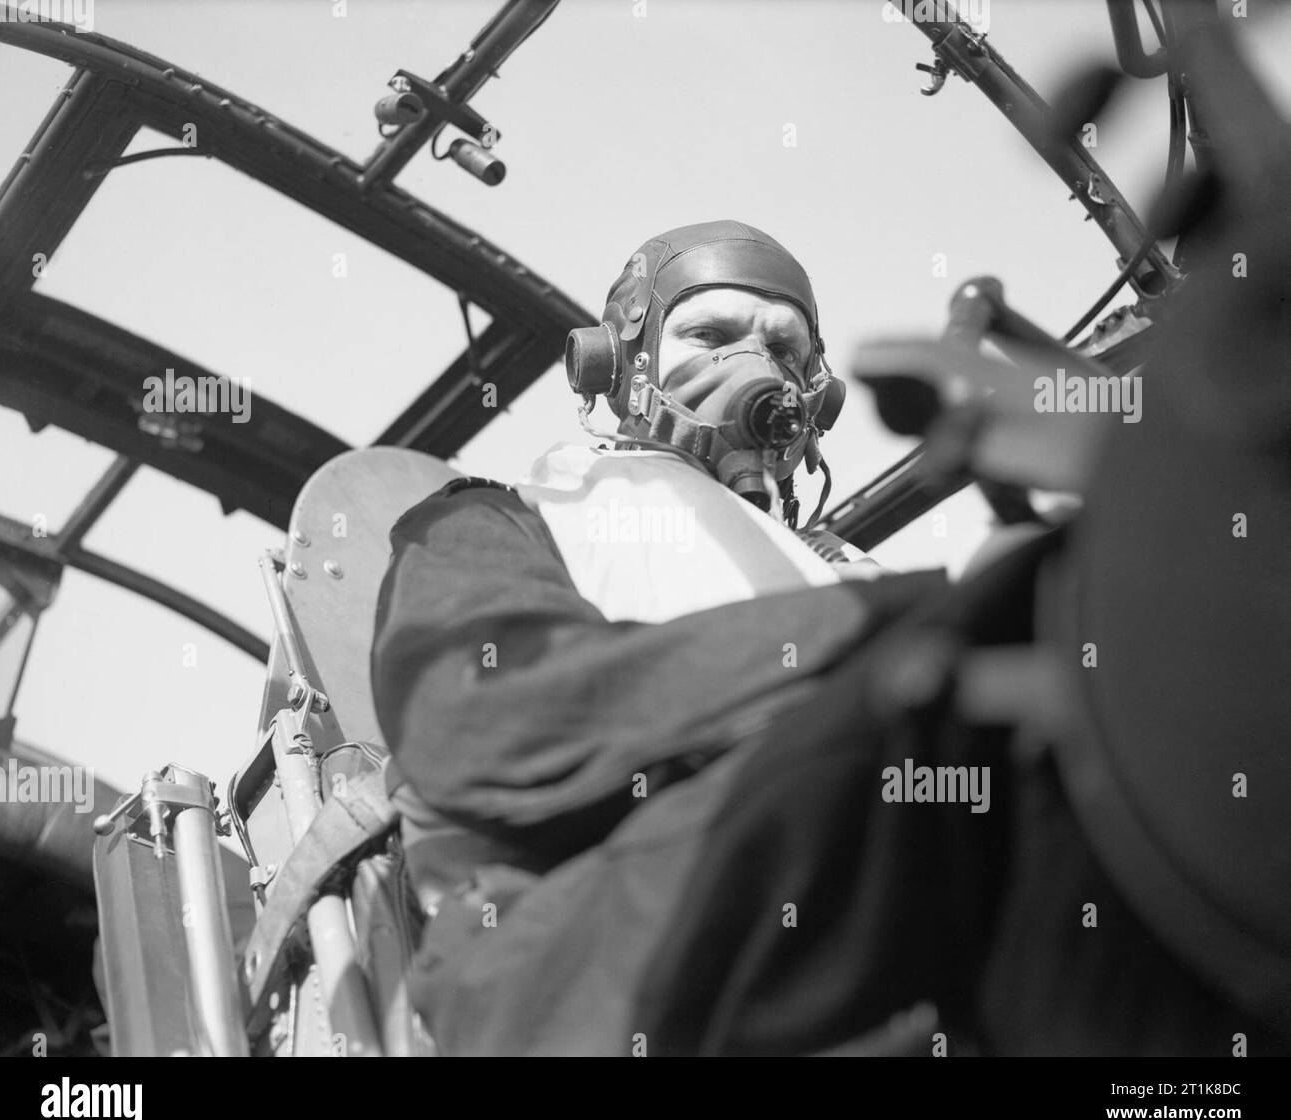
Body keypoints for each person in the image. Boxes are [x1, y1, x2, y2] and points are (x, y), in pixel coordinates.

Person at [370, 220, 931, 1053]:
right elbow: (483, 720)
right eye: (708, 334)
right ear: (617, 362)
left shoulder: (854, 576)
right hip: (606, 967)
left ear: (817, 392)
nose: (754, 365)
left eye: (785, 348)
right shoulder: (493, 521)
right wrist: (864, 650)